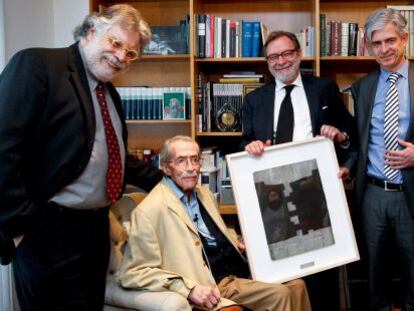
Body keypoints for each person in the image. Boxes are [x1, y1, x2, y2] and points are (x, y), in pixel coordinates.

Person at [0, 4, 163, 310]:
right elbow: (3, 147)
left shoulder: (108, 92)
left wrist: (167, 179)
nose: (121, 57)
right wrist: (19, 229)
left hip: (94, 231)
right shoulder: (38, 65)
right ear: (91, 30)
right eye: (116, 43)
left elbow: (113, 158)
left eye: (130, 54)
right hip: (46, 232)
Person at [119, 135, 311, 311]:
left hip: (240, 269)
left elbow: (210, 232)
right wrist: (188, 288)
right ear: (166, 167)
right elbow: (133, 273)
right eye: (181, 161)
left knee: (297, 285)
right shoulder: (149, 211)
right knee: (281, 294)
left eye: (195, 159)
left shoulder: (204, 194)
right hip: (214, 282)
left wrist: (235, 239)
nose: (190, 167)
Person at [241, 30, 356, 310]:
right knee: (284, 274)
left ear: (298, 54)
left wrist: (339, 136)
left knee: (322, 273)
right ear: (267, 62)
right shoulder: (255, 99)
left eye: (286, 53)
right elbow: (244, 141)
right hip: (273, 196)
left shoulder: (325, 88)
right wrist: (252, 146)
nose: (280, 61)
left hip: (316, 194)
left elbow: (350, 133)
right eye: (273, 57)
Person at [351, 8, 414, 310]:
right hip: (373, 194)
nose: (384, 49)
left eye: (390, 40)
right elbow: (359, 142)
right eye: (377, 43)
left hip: (410, 194)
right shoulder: (363, 88)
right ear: (368, 46)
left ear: (404, 39)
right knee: (375, 273)